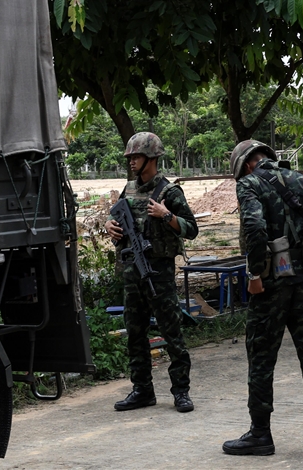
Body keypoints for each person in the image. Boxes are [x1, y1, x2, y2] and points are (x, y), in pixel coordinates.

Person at [222, 140, 303, 455]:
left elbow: (254, 227)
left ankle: (260, 434)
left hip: (271, 287)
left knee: (261, 357)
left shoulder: (249, 184)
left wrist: (255, 275)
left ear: (246, 165)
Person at [105, 132, 199, 412]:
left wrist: (166, 215)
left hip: (158, 272)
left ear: (151, 158)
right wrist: (110, 225)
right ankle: (142, 390)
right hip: (132, 273)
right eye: (130, 157)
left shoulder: (169, 193)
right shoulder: (129, 189)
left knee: (172, 334)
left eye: (135, 156)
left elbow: (191, 229)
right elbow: (115, 215)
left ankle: (181, 392)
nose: (131, 161)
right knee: (135, 333)